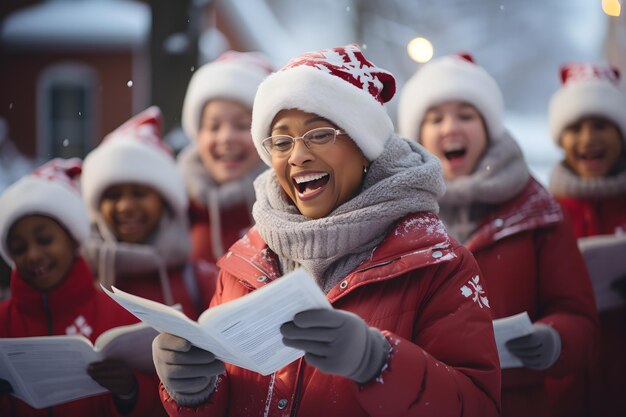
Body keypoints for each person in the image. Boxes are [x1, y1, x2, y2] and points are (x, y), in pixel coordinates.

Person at [152, 44, 501, 417]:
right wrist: (193, 391)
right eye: (282, 141)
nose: (297, 155)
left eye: (319, 135)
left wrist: (380, 362)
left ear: (364, 145)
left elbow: (478, 404)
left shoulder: (437, 263)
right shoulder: (247, 260)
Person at [398, 53, 598, 417]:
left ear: (488, 127)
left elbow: (577, 312)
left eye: (466, 115)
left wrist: (554, 339)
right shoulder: (393, 212)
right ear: (417, 134)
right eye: (435, 117)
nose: (450, 128)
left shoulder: (537, 208)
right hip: (421, 403)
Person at [0, 158, 165, 417]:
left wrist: (131, 390)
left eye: (45, 240)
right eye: (19, 248)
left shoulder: (120, 316)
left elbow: (160, 402)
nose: (33, 255)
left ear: (72, 239)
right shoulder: (3, 322)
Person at [81, 107, 217, 319]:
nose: (125, 207)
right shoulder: (78, 279)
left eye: (139, 193)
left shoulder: (198, 280)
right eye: (113, 196)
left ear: (165, 201)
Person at [547, 63, 626, 417]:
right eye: (575, 127)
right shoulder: (544, 211)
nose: (588, 138)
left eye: (601, 125)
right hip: (566, 389)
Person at [179, 50, 272, 263]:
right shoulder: (169, 215)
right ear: (197, 134)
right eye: (213, 126)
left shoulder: (291, 212)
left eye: (242, 125)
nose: (226, 138)